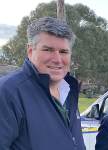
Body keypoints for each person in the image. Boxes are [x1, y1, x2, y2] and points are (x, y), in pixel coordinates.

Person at [0, 17, 85, 150]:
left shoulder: (69, 90)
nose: (57, 59)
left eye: (63, 52)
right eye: (48, 50)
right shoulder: (8, 92)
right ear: (30, 51)